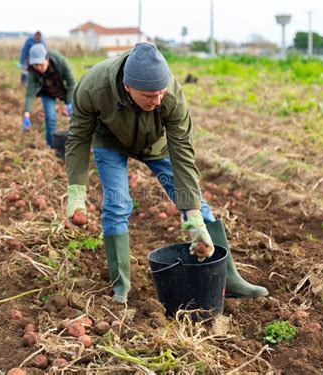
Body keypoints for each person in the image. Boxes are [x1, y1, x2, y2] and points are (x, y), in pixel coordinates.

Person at [65, 43, 269, 304]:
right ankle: (120, 286)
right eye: (149, 95)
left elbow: (183, 153)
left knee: (197, 204)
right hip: (110, 142)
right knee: (117, 205)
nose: (157, 100)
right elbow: (78, 139)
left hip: (156, 144)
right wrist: (76, 193)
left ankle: (228, 278)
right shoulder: (93, 87)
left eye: (160, 94)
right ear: (128, 87)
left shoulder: (171, 95)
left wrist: (193, 218)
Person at [22, 43, 75, 147]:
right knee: (50, 118)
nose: (39, 67)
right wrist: (26, 114)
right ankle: (52, 146)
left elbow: (71, 82)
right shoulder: (33, 71)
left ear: (47, 58)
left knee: (76, 116)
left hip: (62, 88)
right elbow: (30, 93)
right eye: (35, 65)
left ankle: (80, 144)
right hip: (47, 91)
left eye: (41, 64)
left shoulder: (59, 61)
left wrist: (69, 102)